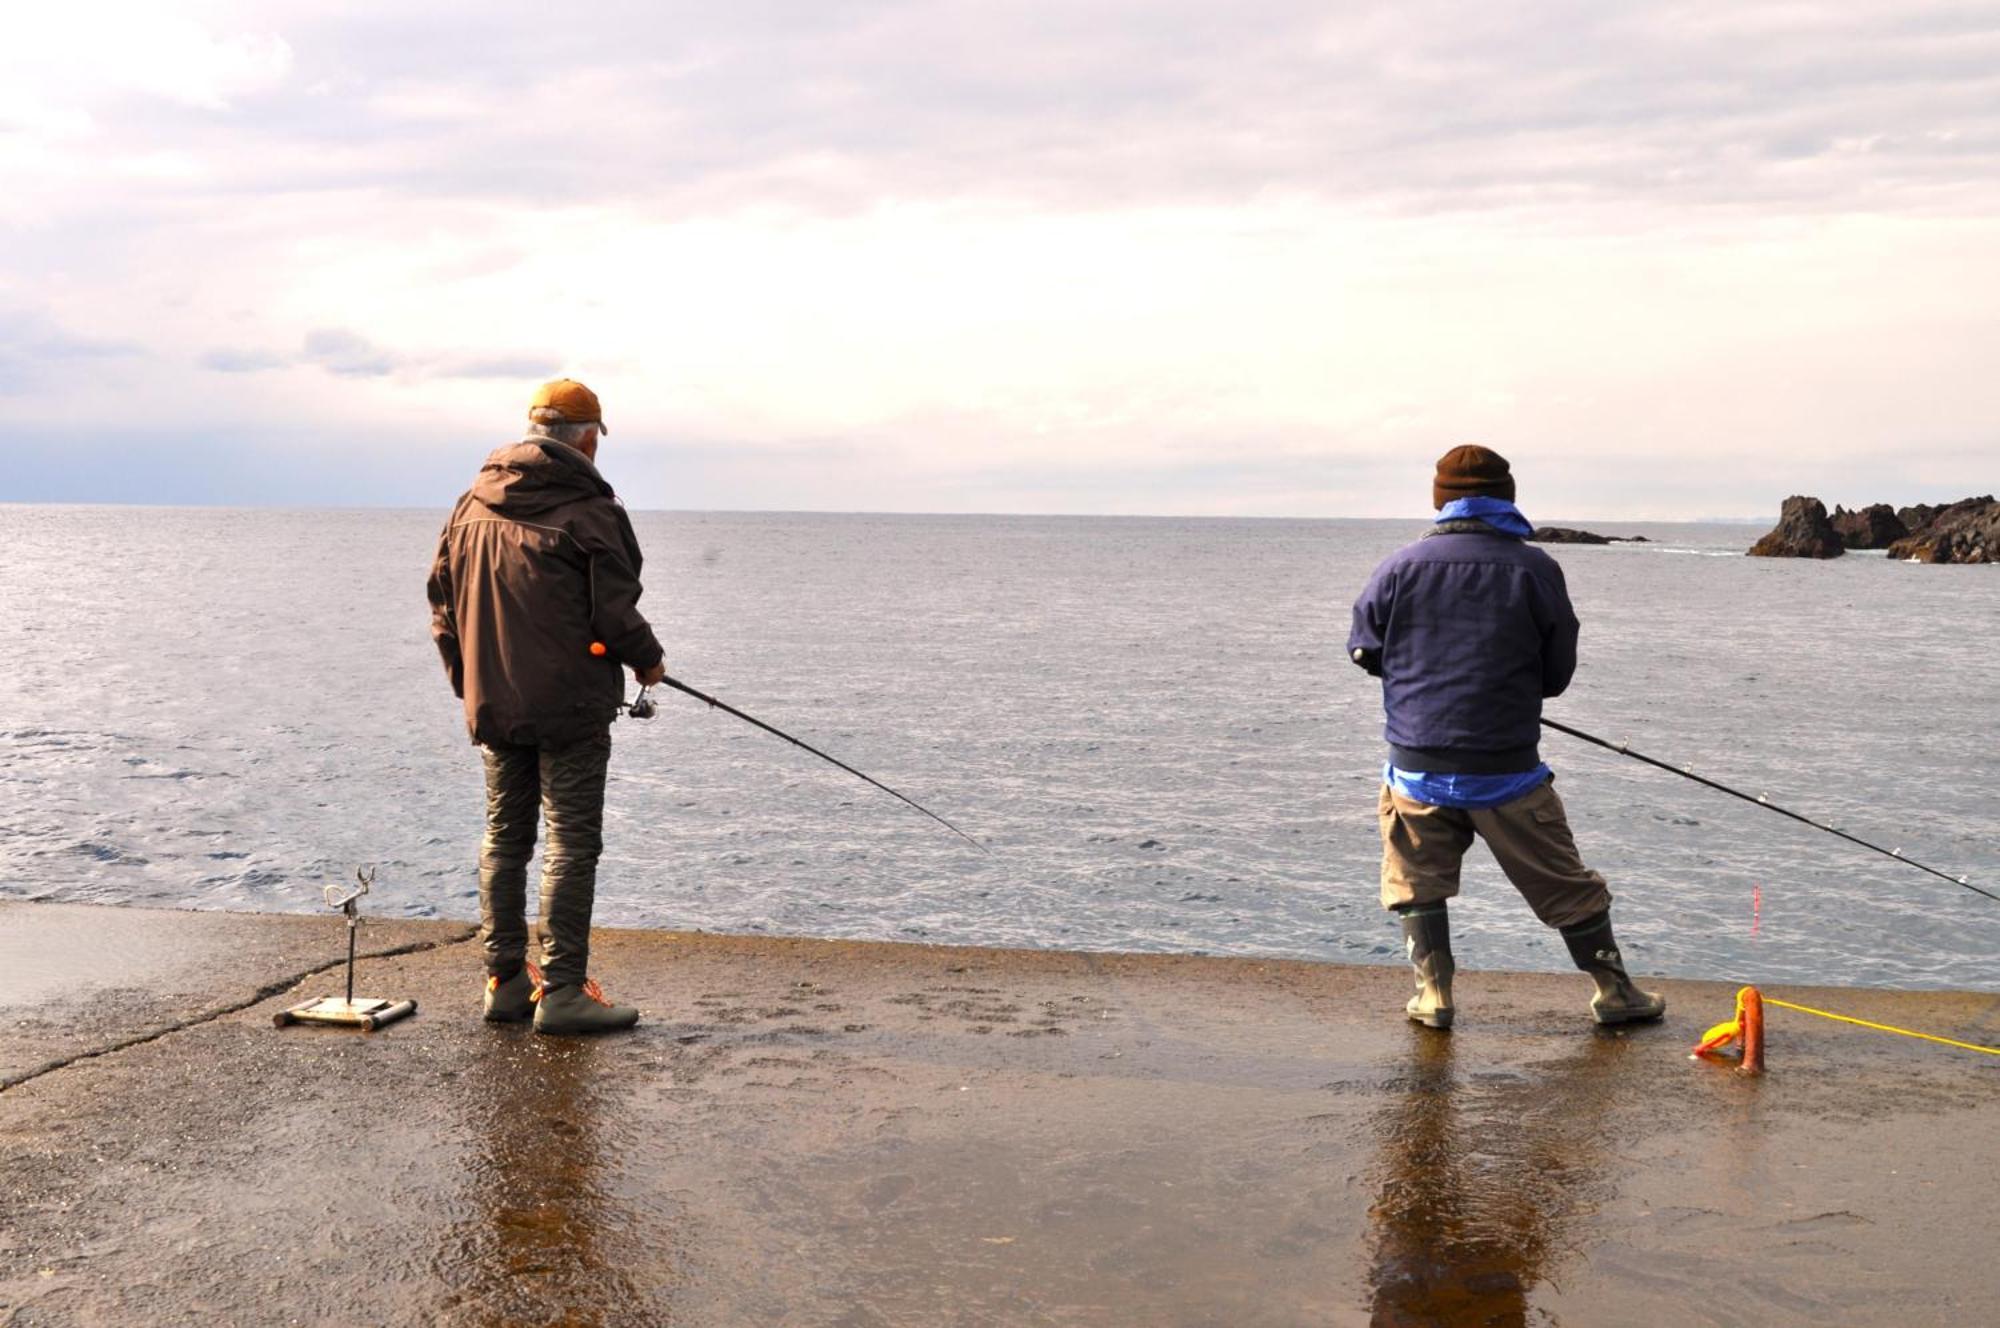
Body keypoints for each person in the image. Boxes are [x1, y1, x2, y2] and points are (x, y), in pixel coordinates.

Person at [1347, 444, 1664, 1031]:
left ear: (1440, 502)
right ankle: (1615, 992)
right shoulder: (1535, 568)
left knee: (1416, 882)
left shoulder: (1398, 567)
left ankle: (1434, 996)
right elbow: (1557, 674)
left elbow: (1365, 650)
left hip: (1417, 763)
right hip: (1508, 768)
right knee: (1564, 883)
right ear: (1508, 500)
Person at [426, 378, 666, 1035]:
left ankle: (504, 982)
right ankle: (562, 992)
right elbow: (614, 615)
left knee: (505, 839)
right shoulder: (591, 510)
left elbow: (442, 609)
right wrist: (649, 660)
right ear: (587, 438)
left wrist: (469, 683)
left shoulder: (469, 505)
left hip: (495, 702)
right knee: (570, 841)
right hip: (570, 710)